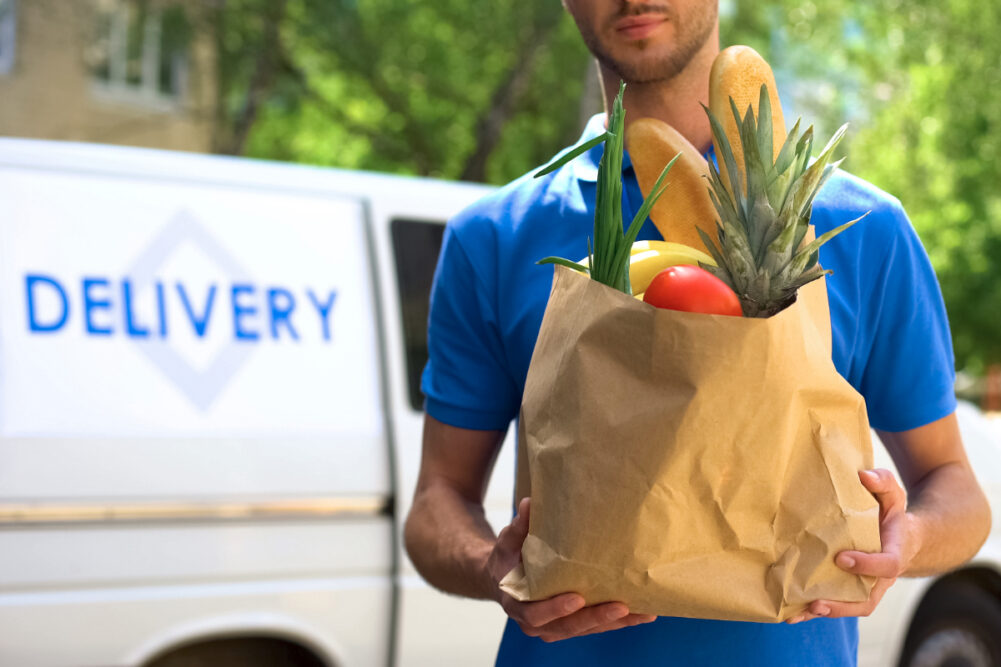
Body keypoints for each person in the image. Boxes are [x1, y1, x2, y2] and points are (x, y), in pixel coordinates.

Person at [403, 1, 992, 665]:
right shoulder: (494, 237)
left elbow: (956, 490)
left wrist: (905, 540)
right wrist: (493, 567)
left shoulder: (860, 228)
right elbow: (435, 504)